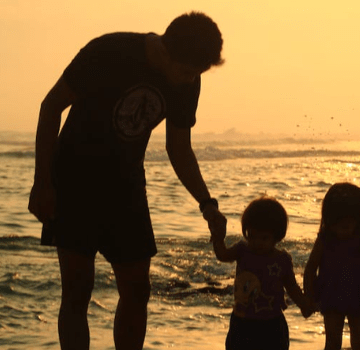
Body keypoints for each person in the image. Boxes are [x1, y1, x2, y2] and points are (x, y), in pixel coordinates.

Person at [27, 12, 227, 350]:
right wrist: (42, 182)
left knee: (137, 290)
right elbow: (51, 107)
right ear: (165, 51)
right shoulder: (109, 51)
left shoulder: (189, 78)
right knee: (77, 290)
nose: (188, 80)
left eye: (197, 73)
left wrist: (208, 205)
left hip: (127, 187)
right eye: (186, 71)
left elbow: (179, 148)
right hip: (74, 181)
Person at [211, 196, 314, 350]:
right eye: (252, 236)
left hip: (272, 324)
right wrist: (218, 239)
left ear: (277, 236)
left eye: (264, 238)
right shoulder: (242, 250)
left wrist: (304, 304)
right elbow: (223, 255)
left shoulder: (282, 260)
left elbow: (292, 287)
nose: (257, 242)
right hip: (242, 321)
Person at [304, 183, 360, 350]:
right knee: (332, 342)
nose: (343, 229)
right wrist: (309, 298)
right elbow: (310, 268)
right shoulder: (326, 239)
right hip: (332, 295)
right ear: (330, 222)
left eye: (348, 224)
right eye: (338, 224)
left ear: (358, 219)